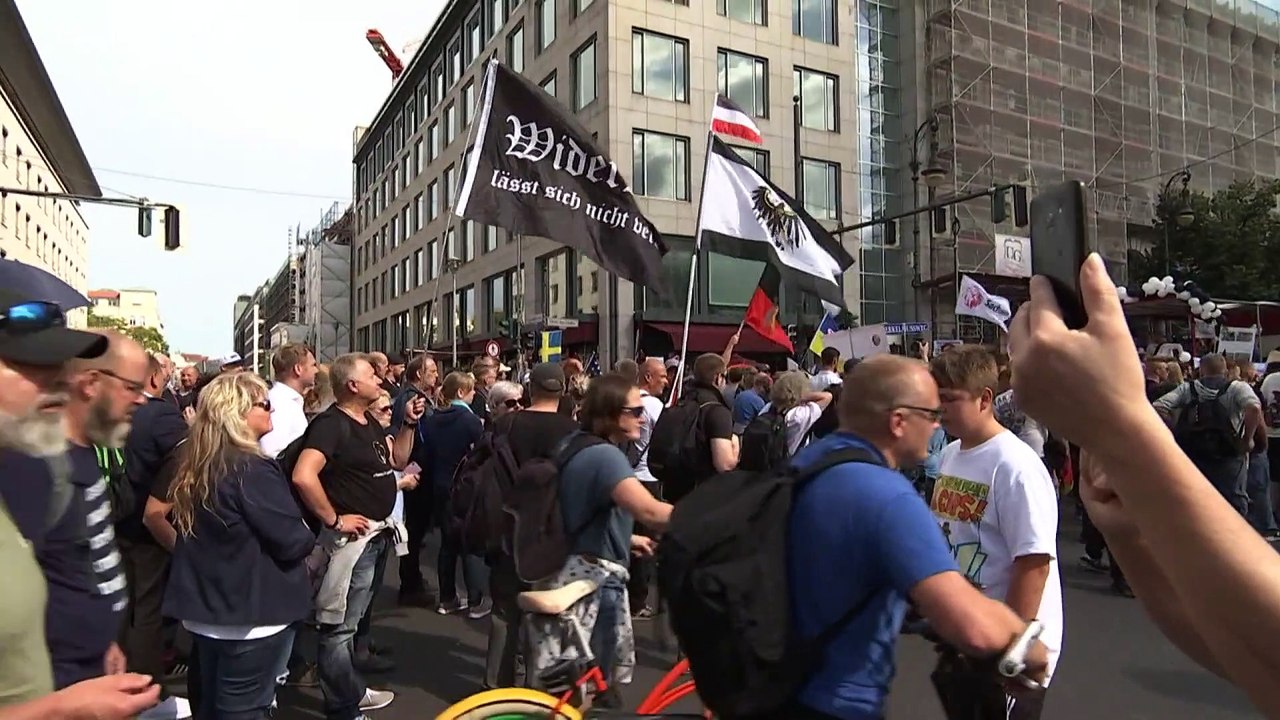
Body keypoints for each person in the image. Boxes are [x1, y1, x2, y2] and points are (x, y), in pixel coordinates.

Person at [1008, 254, 1280, 716]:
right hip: (1219, 465)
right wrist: (1128, 527)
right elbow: (1234, 643)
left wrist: (1125, 433)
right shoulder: (1234, 388)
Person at [787, 355, 1048, 719]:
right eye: (929, 414)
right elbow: (973, 626)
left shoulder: (813, 463)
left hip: (783, 682)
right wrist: (1025, 646)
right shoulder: (888, 496)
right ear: (898, 422)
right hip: (837, 698)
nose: (936, 423)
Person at [163, 373, 314, 719]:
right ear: (238, 412)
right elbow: (293, 541)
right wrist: (304, 527)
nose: (271, 410)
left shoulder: (197, 463)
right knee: (243, 710)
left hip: (208, 613)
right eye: (264, 404)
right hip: (252, 617)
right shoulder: (251, 469)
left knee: (211, 705)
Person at [929, 346, 1063, 718]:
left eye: (949, 399)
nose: (939, 409)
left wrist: (1011, 647)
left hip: (1008, 653)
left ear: (985, 398)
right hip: (970, 637)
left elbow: (1034, 563)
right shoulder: (950, 454)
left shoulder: (1015, 466)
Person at [524, 374, 675, 706]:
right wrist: (718, 519)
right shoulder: (606, 458)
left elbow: (583, 506)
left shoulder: (575, 443)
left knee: (583, 690)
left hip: (570, 567)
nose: (642, 417)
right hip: (595, 584)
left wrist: (628, 538)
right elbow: (651, 511)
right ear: (609, 413)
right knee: (598, 693)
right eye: (634, 410)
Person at [291, 353, 423, 719]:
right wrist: (334, 520)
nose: (381, 380)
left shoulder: (366, 421)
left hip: (376, 540)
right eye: (372, 376)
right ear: (352, 385)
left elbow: (394, 460)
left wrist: (408, 424)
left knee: (350, 624)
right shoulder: (331, 425)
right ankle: (343, 707)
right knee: (337, 629)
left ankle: (350, 690)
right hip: (352, 544)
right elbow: (304, 475)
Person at [419, 372, 488, 618]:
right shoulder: (469, 421)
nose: (473, 396)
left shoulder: (432, 419)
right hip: (466, 488)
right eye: (471, 392)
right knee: (471, 543)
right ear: (461, 392)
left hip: (439, 486)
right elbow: (482, 452)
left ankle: (447, 598)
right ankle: (476, 600)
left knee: (447, 545)